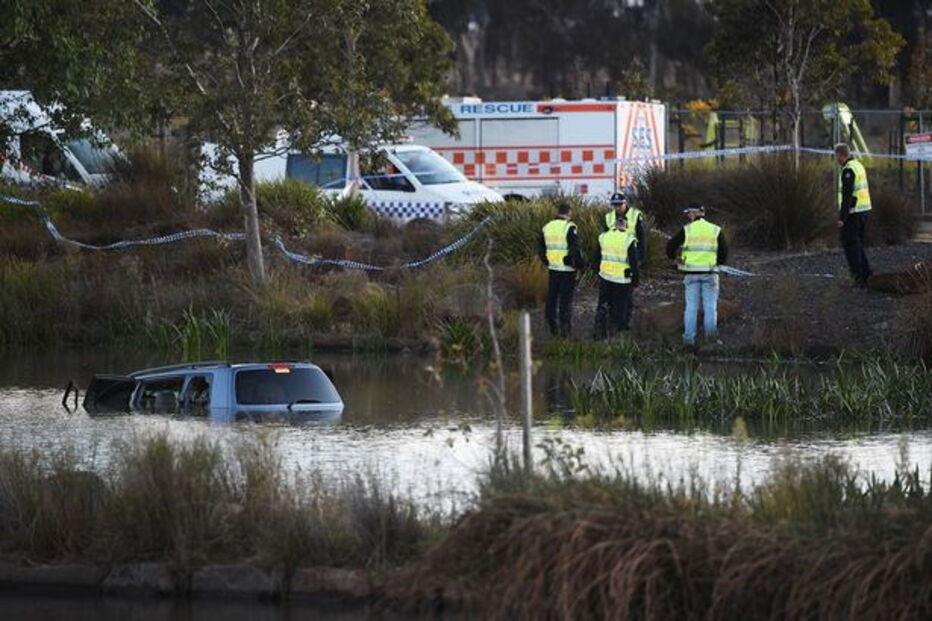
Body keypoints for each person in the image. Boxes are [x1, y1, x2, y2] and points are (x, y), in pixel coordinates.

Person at [665, 203, 728, 349]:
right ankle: (711, 340)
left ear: (693, 214)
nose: (688, 216)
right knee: (710, 307)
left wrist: (674, 259)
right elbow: (724, 252)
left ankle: (688, 340)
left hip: (691, 273)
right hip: (710, 273)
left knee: (691, 307)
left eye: (688, 213)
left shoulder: (687, 230)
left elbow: (670, 246)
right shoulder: (715, 229)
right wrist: (718, 262)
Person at [538, 202, 585, 337]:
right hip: (567, 270)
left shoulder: (547, 227)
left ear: (558, 212)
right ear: (569, 213)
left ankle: (552, 328)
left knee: (552, 299)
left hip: (553, 269)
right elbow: (575, 249)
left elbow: (541, 249)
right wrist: (580, 265)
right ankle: (565, 332)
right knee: (565, 302)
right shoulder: (569, 227)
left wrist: (547, 261)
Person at [592, 215, 639, 339]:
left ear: (614, 224)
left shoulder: (604, 237)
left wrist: (597, 270)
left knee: (603, 304)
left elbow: (596, 256)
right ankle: (615, 333)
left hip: (605, 276)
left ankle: (599, 331)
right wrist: (635, 279)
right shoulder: (629, 239)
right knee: (620, 306)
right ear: (626, 225)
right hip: (622, 279)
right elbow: (634, 262)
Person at [605, 192, 646, 328]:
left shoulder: (635, 216)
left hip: (630, 259)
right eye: (614, 205)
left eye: (619, 205)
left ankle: (624, 322)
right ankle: (612, 321)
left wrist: (639, 259)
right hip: (613, 261)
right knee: (611, 295)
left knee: (627, 295)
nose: (617, 208)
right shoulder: (609, 217)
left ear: (625, 203)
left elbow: (642, 239)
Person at [835, 143, 872, 286]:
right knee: (858, 245)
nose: (836, 159)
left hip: (853, 214)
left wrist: (841, 218)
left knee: (851, 246)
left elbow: (847, 196)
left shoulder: (848, 170)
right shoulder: (858, 165)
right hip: (863, 211)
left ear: (839, 155)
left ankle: (858, 278)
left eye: (836, 156)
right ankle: (867, 274)